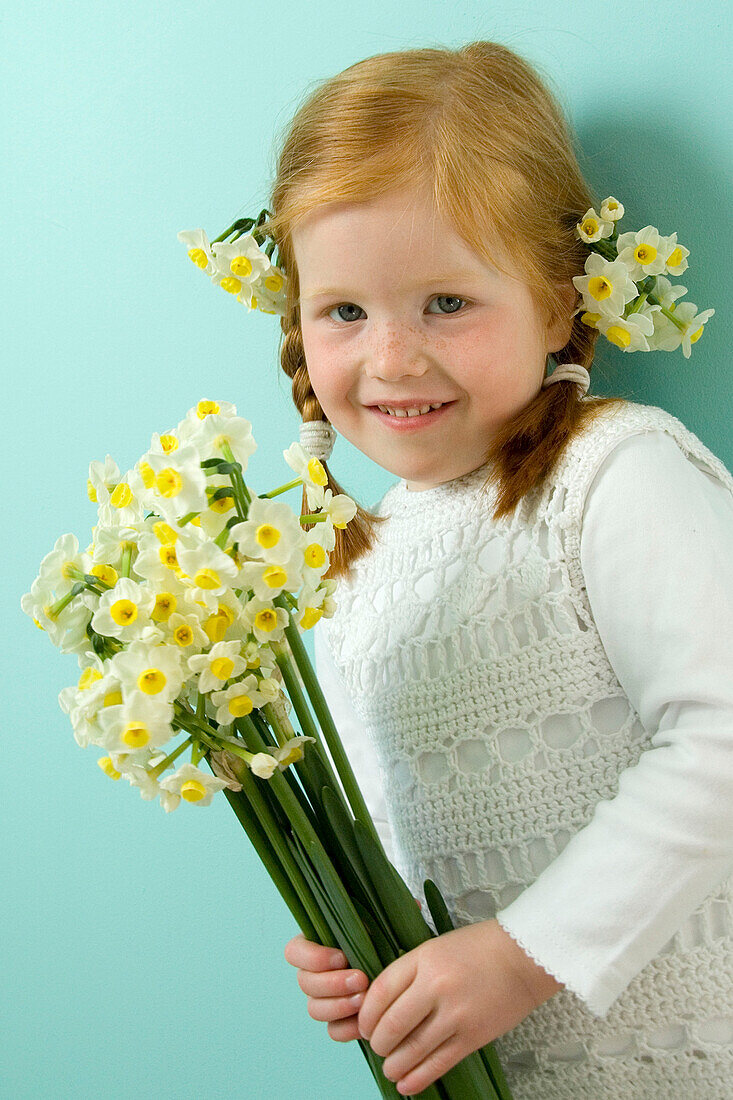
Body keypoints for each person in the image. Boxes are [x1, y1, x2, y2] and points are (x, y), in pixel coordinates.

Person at [256, 41, 733, 1098]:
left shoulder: (614, 477)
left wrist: (525, 953)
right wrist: (367, 950)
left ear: (559, 304)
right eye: (345, 311)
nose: (391, 359)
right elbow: (406, 834)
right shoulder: (351, 565)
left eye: (445, 303)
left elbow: (723, 733)